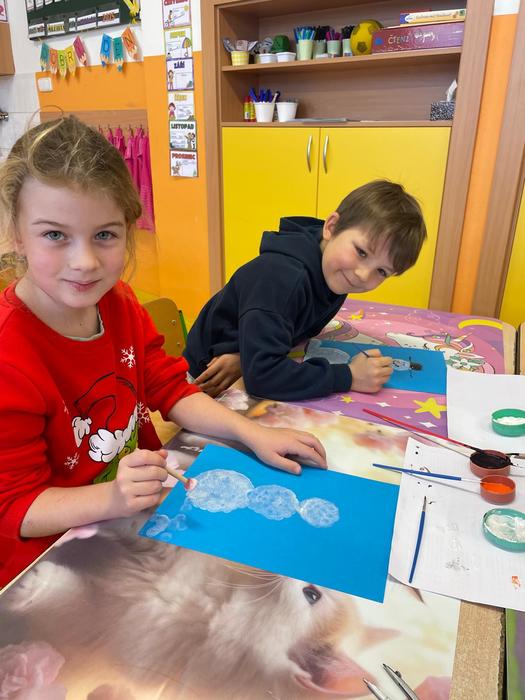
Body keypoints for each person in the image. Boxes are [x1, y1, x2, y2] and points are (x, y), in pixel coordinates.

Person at [0, 116, 326, 587]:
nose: (85, 262)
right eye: (55, 235)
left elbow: (170, 388)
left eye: (105, 234)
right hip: (57, 565)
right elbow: (15, 508)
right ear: (16, 232)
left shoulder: (119, 303)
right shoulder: (9, 355)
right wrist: (112, 498)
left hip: (141, 517)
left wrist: (251, 433)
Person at [184, 180, 427, 400]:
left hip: (244, 367)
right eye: (361, 252)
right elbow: (263, 377)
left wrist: (245, 356)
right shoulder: (283, 278)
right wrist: (349, 376)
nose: (363, 275)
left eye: (381, 271)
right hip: (202, 383)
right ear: (331, 226)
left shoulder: (332, 268)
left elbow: (283, 331)